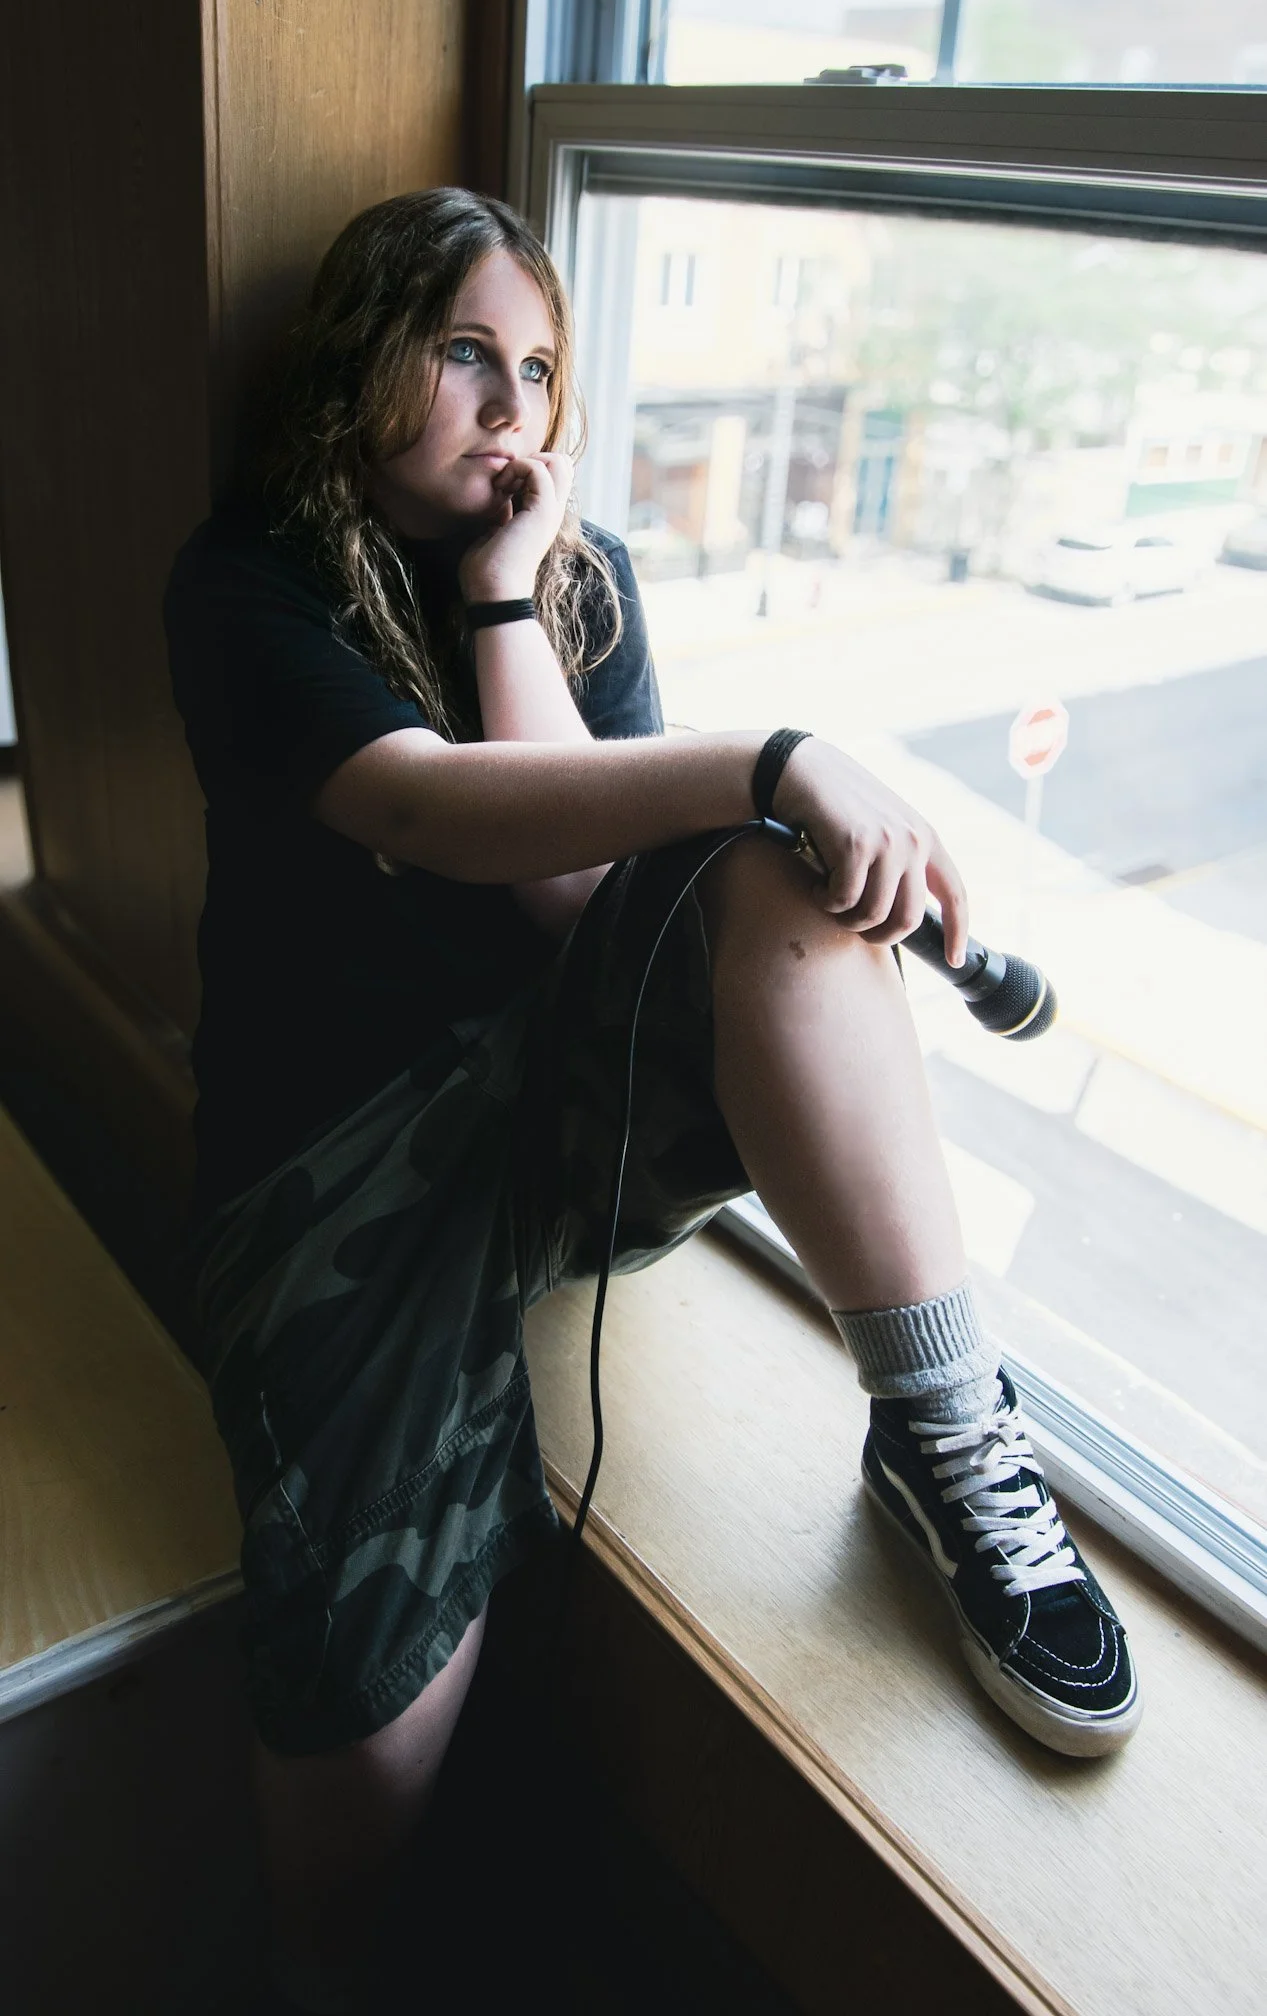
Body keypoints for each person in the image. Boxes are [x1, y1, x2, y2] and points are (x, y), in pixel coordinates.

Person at [165, 187, 1140, 2014]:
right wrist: (770, 755)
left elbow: (574, 909)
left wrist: (507, 598)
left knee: (759, 874)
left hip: (548, 1110)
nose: (509, 406)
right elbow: (438, 816)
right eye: (464, 352)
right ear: (366, 357)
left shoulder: (571, 578)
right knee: (367, 1731)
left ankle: (938, 1424)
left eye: (537, 369)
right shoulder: (247, 584)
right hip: (337, 1160)